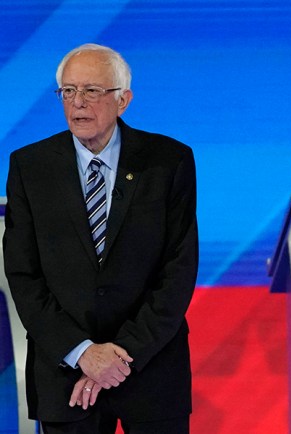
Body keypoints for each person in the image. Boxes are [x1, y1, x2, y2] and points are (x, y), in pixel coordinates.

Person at [3, 43, 198, 433]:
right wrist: (83, 354)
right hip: (66, 378)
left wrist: (119, 357)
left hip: (151, 369)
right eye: (68, 91)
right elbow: (24, 276)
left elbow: (178, 270)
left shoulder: (168, 161)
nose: (78, 103)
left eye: (92, 91)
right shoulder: (30, 167)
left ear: (123, 100)